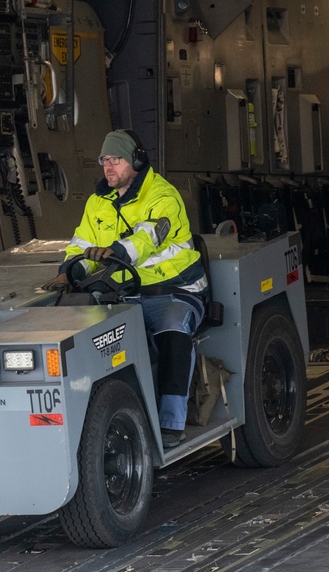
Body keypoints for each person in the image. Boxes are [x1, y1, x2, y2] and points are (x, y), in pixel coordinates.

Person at [43, 129, 208, 448]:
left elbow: (148, 238)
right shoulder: (97, 203)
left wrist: (116, 252)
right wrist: (69, 271)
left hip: (174, 292)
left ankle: (171, 424)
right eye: (105, 160)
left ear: (135, 160)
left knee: (173, 334)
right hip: (124, 296)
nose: (108, 167)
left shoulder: (163, 196)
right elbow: (83, 244)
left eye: (116, 159)